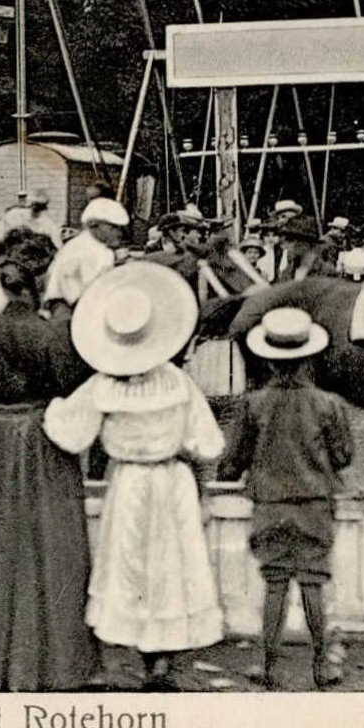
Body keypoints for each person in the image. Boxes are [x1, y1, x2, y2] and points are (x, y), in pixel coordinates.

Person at [43, 262, 226, 690]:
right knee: (168, 568)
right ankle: (161, 662)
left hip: (130, 482)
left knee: (129, 566)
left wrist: (44, 408)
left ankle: (136, 662)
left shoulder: (103, 386)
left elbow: (68, 430)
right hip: (169, 481)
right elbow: (207, 442)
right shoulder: (179, 383)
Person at [0, 228, 100, 691]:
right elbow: (75, 394)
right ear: (41, 279)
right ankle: (51, 666)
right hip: (41, 442)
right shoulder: (57, 336)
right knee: (50, 548)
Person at [223, 307, 352, 690]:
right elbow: (343, 455)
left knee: (275, 584)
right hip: (314, 503)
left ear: (268, 358)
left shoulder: (253, 404)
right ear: (309, 356)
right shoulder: (329, 404)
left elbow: (234, 459)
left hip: (269, 504)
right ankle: (320, 666)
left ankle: (267, 665)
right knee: (313, 583)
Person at [43, 196, 129, 318]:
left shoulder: (101, 249)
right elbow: (75, 291)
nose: (118, 233)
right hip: (67, 306)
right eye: (112, 227)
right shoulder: (80, 249)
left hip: (87, 303)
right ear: (93, 224)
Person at [0, 189, 64, 250]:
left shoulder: (49, 225)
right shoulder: (14, 215)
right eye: (33, 204)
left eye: (38, 206)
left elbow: (58, 246)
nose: (34, 208)